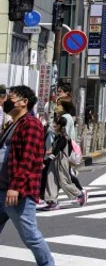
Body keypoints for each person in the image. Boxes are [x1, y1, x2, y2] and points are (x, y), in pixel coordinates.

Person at [0, 85, 55, 265]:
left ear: (24, 102)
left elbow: (28, 159)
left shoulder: (31, 124)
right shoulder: (12, 124)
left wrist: (15, 187)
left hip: (18, 192)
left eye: (12, 97)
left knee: (30, 236)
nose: (7, 100)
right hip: (2, 189)